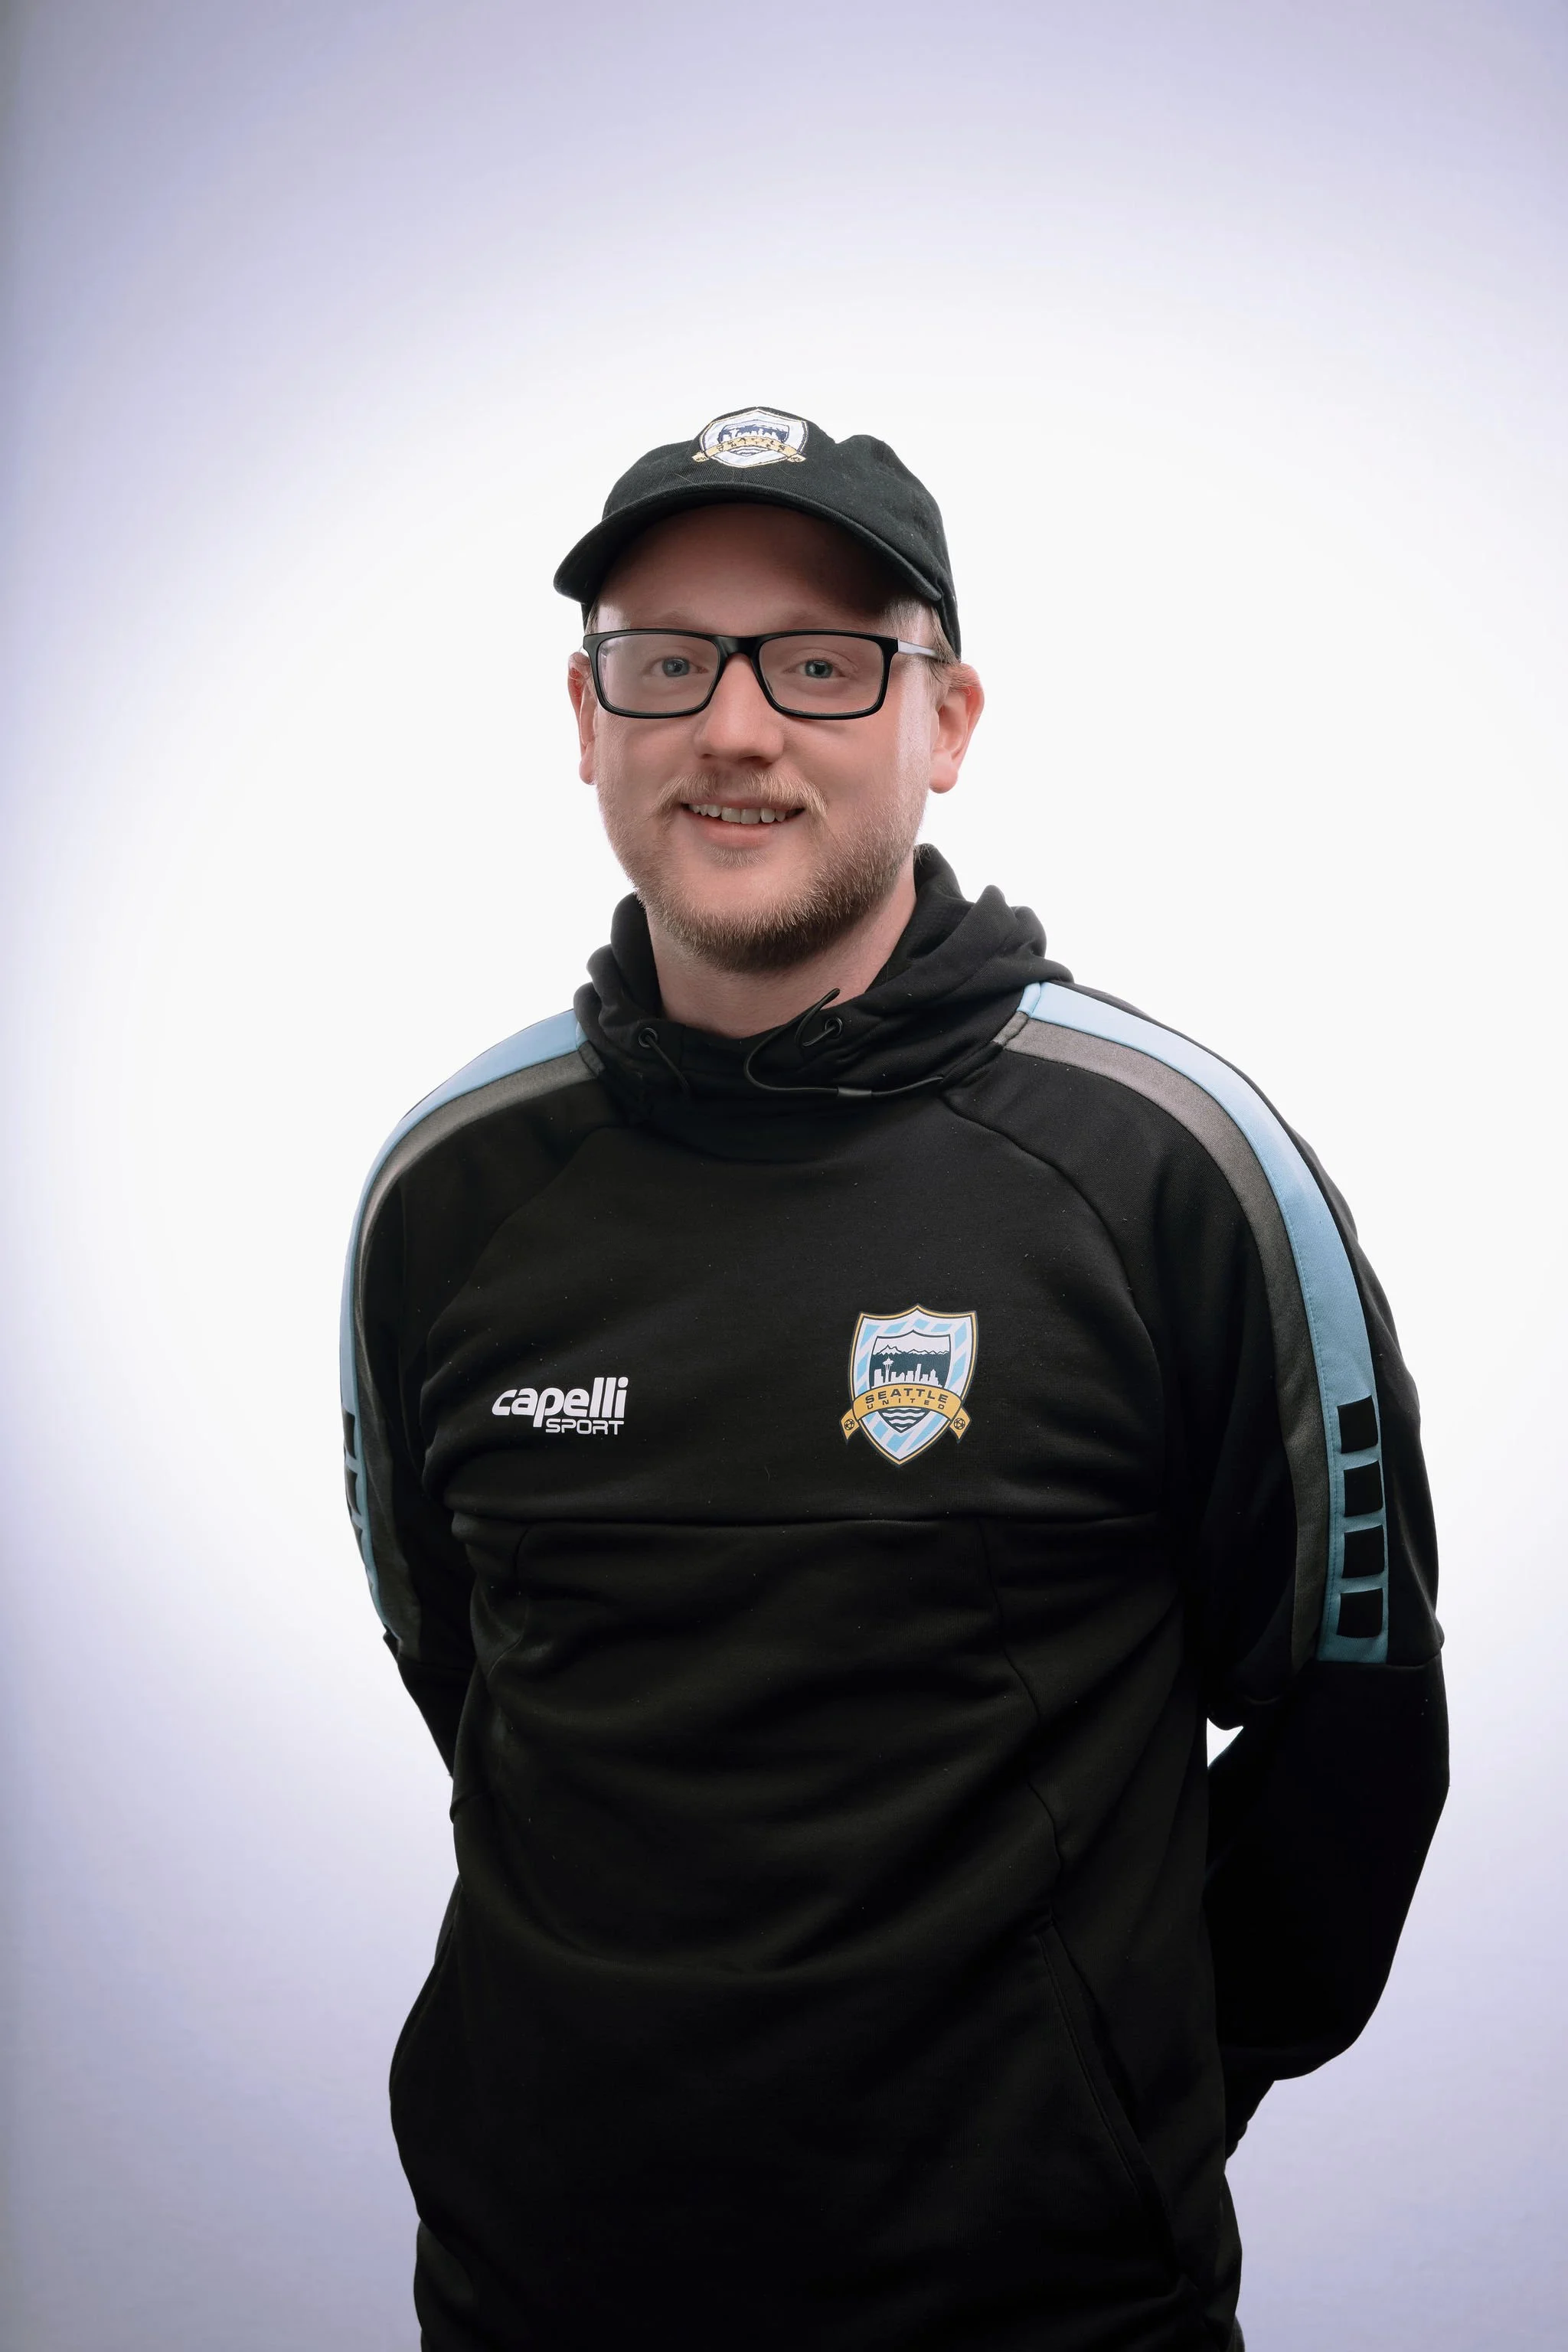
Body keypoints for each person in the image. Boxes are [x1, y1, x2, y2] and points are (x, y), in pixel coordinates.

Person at [341, 405, 1448, 2352]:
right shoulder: (451, 1193)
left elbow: (1353, 1724)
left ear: (946, 723)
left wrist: (1107, 2105)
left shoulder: (1169, 1169)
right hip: (534, 2288)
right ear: (587, 716)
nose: (736, 727)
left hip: (1049, 2311)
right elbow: (475, 1679)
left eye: (826, 660)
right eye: (665, 660)